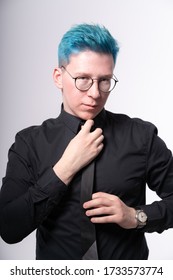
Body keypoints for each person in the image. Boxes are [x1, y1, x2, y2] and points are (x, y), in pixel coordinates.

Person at [0, 23, 173, 260]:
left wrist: (135, 217)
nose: (95, 93)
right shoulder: (28, 143)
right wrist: (64, 169)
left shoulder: (141, 137)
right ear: (59, 77)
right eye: (83, 79)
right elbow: (9, 228)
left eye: (105, 80)